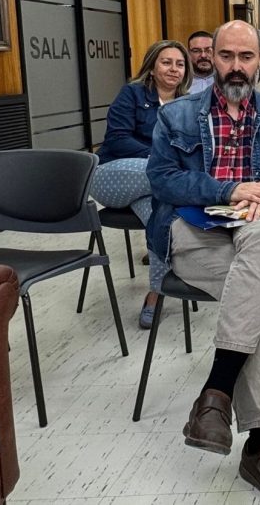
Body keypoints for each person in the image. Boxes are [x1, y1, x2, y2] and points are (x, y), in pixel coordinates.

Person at [146, 20, 260, 505]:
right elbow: (161, 180)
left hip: (255, 231)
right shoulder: (177, 116)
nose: (236, 66)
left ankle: (221, 398)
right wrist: (228, 189)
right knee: (258, 298)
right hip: (194, 230)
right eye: (227, 56)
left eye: (246, 57)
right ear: (210, 58)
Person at [90, 40, 191, 329]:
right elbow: (117, 139)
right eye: (166, 62)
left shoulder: (186, 105)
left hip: (155, 187)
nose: (174, 69)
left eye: (180, 64)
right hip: (113, 175)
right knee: (168, 178)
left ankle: (156, 293)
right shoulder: (132, 93)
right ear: (152, 65)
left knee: (164, 215)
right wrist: (162, 159)